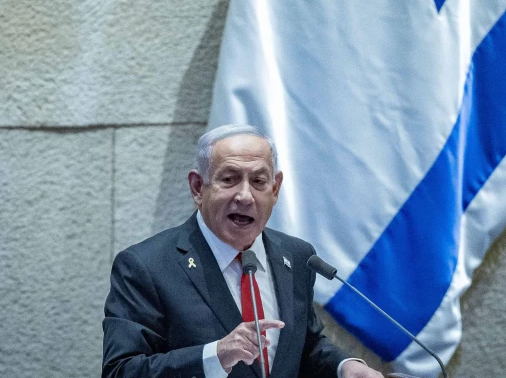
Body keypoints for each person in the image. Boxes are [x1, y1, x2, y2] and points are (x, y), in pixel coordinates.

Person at [103, 124, 383, 378]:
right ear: (198, 187)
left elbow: (304, 347)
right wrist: (215, 357)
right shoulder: (146, 266)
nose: (245, 196)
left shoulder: (297, 256)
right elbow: (122, 371)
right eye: (229, 179)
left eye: (259, 181)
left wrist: (344, 366)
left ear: (275, 189)